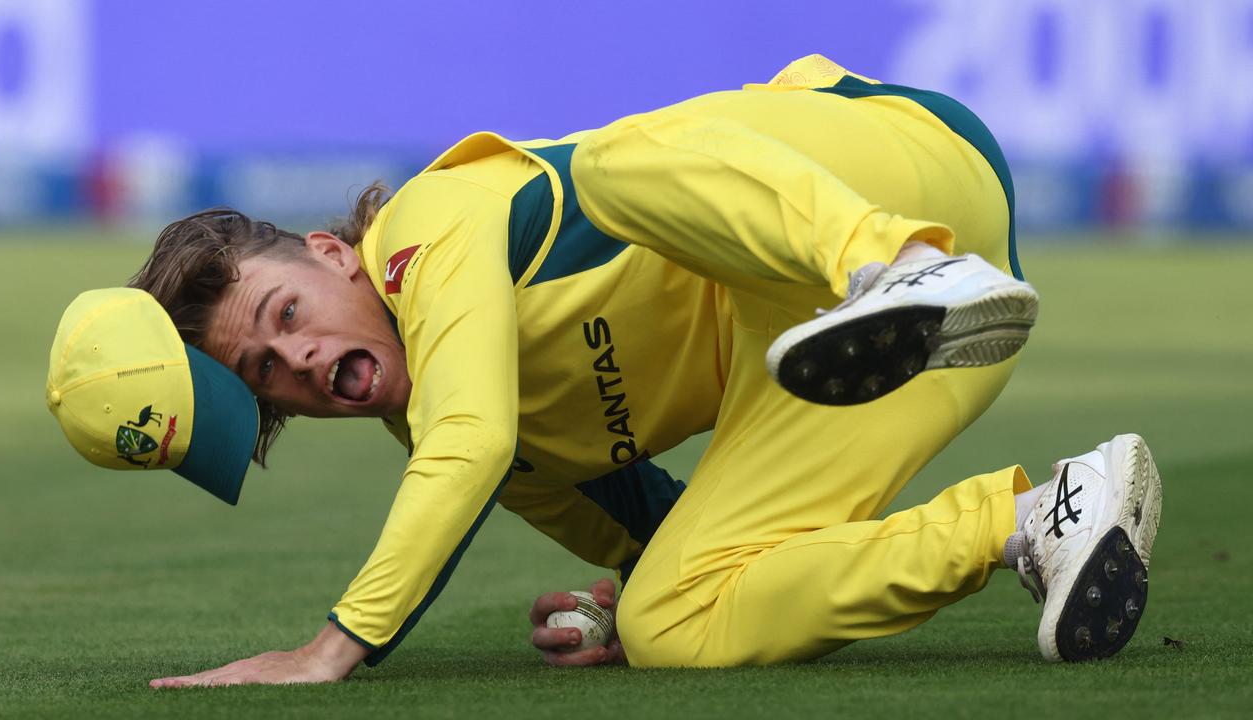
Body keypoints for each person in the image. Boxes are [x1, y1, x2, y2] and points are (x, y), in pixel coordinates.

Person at [59, 54, 1162, 685]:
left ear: (337, 253)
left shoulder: (429, 228)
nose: (299, 359)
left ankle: (892, 266)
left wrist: (329, 649)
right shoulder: (478, 439)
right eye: (267, 374)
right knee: (675, 621)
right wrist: (626, 603)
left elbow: (470, 438)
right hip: (881, 357)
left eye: (286, 311)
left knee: (616, 158)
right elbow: (642, 522)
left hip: (891, 175)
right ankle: (1040, 518)